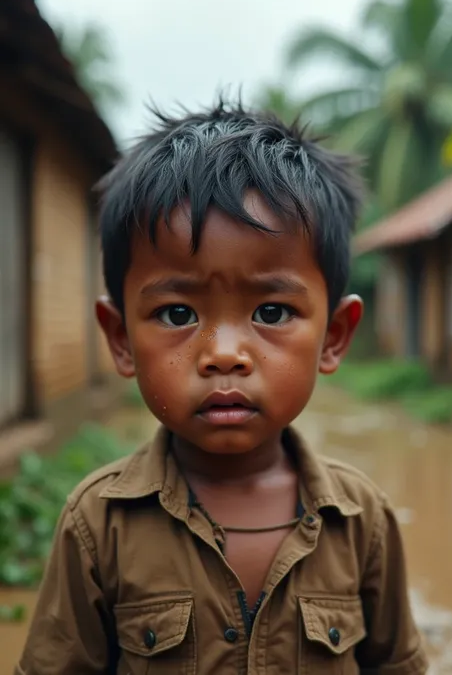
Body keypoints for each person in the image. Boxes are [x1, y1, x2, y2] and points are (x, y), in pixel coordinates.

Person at [16, 101, 428, 675]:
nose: (224, 354)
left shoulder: (362, 521)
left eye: (273, 310)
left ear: (334, 336)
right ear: (120, 339)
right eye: (179, 313)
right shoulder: (97, 524)